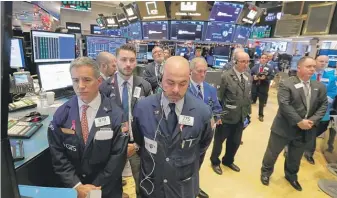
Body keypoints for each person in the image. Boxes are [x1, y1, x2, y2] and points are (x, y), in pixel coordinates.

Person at [132, 56, 214, 198]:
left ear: (189, 79)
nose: (176, 90)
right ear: (161, 78)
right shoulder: (142, 108)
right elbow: (140, 142)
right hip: (151, 185)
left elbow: (202, 146)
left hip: (183, 187)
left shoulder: (203, 112)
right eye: (170, 82)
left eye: (182, 83)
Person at [47, 57, 129, 198]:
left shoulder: (116, 115)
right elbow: (58, 156)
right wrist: (77, 186)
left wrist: (94, 192)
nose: (80, 86)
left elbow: (117, 160)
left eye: (86, 80)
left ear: (98, 82)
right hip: (75, 190)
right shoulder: (62, 113)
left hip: (106, 190)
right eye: (75, 80)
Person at [260, 56, 328, 191]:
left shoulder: (318, 86)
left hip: (305, 129)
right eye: (309, 66)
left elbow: (323, 105)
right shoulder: (287, 83)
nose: (312, 69)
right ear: (299, 67)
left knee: (295, 156)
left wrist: (312, 121)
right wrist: (298, 121)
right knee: (273, 152)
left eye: (314, 67)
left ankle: (291, 176)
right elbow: (284, 105)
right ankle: (266, 173)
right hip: (284, 127)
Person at [99, 44, 152, 198]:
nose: (128, 64)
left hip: (136, 145)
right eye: (123, 60)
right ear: (116, 61)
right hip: (112, 146)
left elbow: (149, 120)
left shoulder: (145, 86)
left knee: (142, 184)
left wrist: (136, 144)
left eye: (132, 60)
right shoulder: (104, 87)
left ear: (136, 62)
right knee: (111, 185)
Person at [210, 51, 252, 175]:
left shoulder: (248, 77)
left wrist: (247, 115)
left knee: (235, 142)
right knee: (219, 142)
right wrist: (217, 116)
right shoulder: (225, 76)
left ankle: (228, 161)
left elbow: (247, 98)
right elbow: (218, 98)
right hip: (226, 117)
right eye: (243, 61)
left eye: (248, 61)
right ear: (235, 61)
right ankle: (215, 161)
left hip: (240, 117)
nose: (246, 64)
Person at [188, 57, 222, 198]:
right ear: (190, 71)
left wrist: (217, 117)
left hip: (206, 135)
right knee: (186, 162)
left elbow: (217, 107)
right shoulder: (184, 88)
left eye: (205, 71)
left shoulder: (210, 89)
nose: (203, 74)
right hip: (187, 135)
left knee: (199, 161)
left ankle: (194, 187)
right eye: (199, 71)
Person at [303, 55, 337, 164]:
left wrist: (323, 100)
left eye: (326, 62)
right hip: (306, 108)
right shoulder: (307, 74)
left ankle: (307, 149)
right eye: (321, 61)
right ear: (315, 61)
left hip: (323, 110)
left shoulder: (331, 77)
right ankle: (305, 152)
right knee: (299, 129)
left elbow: (333, 91)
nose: (323, 63)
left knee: (316, 130)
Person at [251, 54, 275, 122]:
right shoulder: (255, 67)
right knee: (250, 100)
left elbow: (272, 76)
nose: (263, 59)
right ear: (260, 59)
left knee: (261, 102)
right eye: (262, 58)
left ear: (267, 60)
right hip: (255, 86)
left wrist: (266, 78)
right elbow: (250, 74)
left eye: (265, 58)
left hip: (263, 87)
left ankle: (261, 115)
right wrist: (253, 77)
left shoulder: (270, 68)